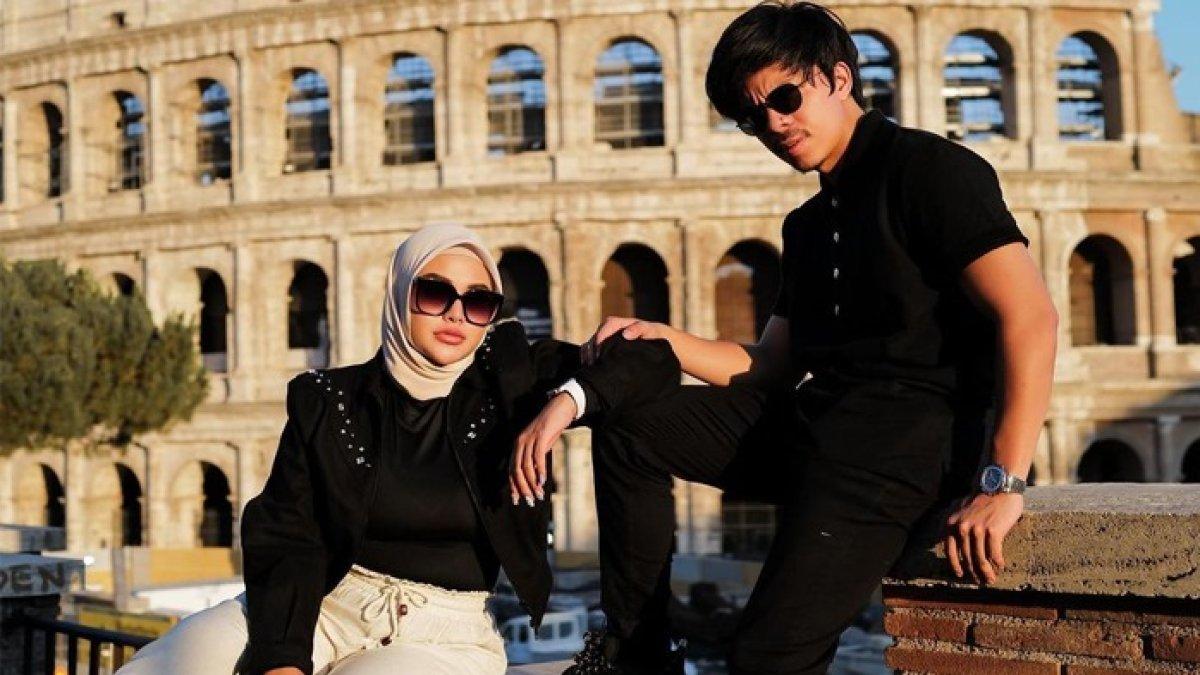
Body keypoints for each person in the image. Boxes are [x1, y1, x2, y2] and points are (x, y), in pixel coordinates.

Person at [509, 2, 1058, 673]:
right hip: (818, 428)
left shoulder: (931, 170)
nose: (772, 124)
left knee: (768, 656)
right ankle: (639, 651)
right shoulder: (808, 223)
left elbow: (1030, 316)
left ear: (839, 78)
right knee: (630, 425)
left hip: (900, 454)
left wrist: (1002, 482)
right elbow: (771, 364)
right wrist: (665, 338)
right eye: (752, 116)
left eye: (785, 98)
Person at [118, 223, 680, 675]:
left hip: (443, 634)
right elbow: (289, 534)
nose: (456, 314)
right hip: (326, 606)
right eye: (434, 293)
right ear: (399, 294)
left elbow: (653, 361)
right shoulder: (330, 399)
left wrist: (566, 402)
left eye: (479, 302)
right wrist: (281, 658)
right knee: (184, 660)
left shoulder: (513, 379)